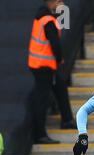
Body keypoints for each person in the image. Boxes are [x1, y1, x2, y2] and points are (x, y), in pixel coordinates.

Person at [28, 0, 76, 145]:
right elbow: (54, 43)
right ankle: (40, 134)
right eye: (60, 1)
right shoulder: (48, 20)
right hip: (44, 66)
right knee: (41, 100)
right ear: (53, 2)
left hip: (41, 64)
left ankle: (67, 119)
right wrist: (59, 58)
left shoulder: (43, 17)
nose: (62, 4)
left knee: (60, 87)